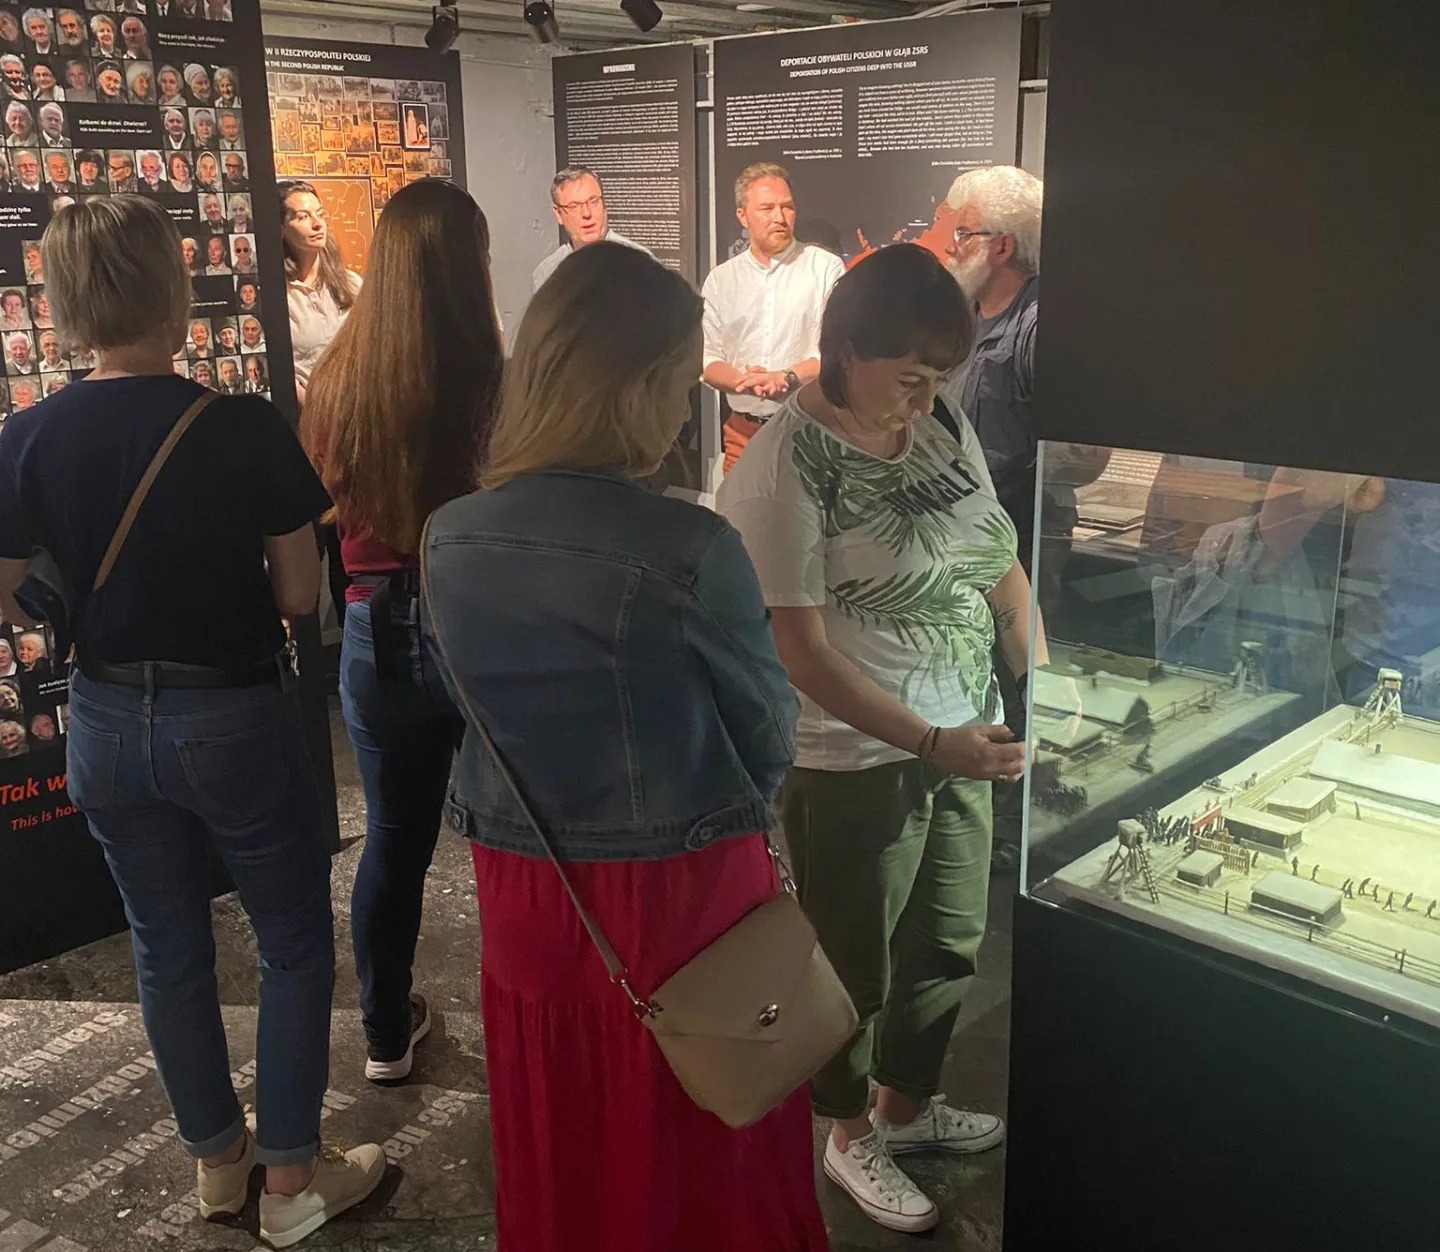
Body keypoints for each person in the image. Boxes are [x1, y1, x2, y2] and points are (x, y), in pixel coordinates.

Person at [423, 239, 826, 1252]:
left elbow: (460, 697)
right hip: (678, 884)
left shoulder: (449, 534)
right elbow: (766, 731)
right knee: (702, 1112)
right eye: (680, 383)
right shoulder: (689, 546)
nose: (684, 409)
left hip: (526, 879)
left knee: (562, 1112)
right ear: (640, 388)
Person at [0, 194, 385, 1248]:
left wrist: (71, 606)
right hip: (230, 713)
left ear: (65, 300)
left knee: (165, 947)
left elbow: (7, 594)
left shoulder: (25, 436)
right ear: (173, 288)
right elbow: (299, 594)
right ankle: (293, 1176)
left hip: (103, 719)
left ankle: (219, 1164)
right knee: (291, 941)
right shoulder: (242, 424)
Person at [719, 244, 1043, 1234]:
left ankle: (906, 1104)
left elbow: (999, 561)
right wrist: (931, 741)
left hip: (965, 732)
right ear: (848, 350)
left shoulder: (936, 423)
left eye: (939, 375)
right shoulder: (782, 467)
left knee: (949, 937)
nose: (926, 397)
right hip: (856, 756)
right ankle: (849, 1129)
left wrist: (1044, 680)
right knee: (851, 962)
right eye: (909, 376)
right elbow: (801, 652)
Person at [301, 181, 500, 1085]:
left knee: (393, 837)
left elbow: (322, 498)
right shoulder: (490, 376)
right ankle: (523, 1026)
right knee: (507, 841)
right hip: (477, 616)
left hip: (371, 621)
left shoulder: (338, 376)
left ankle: (385, 1034)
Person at [702, 162, 844, 474]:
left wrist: (785, 378)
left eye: (787, 207)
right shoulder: (721, 280)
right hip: (742, 433)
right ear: (743, 216)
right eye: (767, 208)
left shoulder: (825, 269)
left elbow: (835, 354)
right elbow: (708, 360)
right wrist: (744, 382)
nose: (780, 217)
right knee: (739, 506)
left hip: (808, 429)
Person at [281, 180, 359, 405]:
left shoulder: (352, 284)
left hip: (358, 412)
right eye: (303, 217)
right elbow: (278, 368)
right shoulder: (278, 296)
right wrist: (316, 410)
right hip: (307, 414)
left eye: (320, 214)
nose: (317, 224)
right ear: (281, 228)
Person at [530, 166, 651, 293]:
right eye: (574, 206)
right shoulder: (547, 274)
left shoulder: (640, 264)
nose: (586, 213)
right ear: (558, 214)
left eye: (593, 202)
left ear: (604, 204)